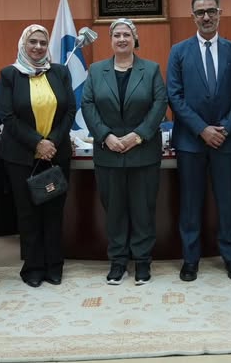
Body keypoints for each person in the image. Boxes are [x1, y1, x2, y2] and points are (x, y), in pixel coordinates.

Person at [167, 0, 231, 282]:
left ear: (220, 13)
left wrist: (224, 128)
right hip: (191, 141)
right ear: (193, 17)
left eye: (211, 11)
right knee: (190, 203)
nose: (206, 17)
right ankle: (190, 260)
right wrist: (202, 129)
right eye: (200, 12)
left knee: (228, 202)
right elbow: (174, 96)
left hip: (227, 140)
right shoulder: (179, 51)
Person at [82, 18, 167, 285]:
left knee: (143, 210)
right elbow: (87, 105)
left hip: (143, 153)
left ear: (134, 38)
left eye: (126, 35)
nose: (121, 39)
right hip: (108, 153)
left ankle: (142, 261)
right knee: (115, 211)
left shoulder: (151, 69)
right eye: (116, 35)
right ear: (111, 40)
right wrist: (106, 136)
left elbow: (160, 103)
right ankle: (118, 261)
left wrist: (138, 135)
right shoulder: (96, 70)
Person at [0, 24, 75, 288]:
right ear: (23, 44)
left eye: (43, 42)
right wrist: (37, 143)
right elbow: (8, 116)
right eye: (33, 42)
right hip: (21, 157)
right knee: (28, 213)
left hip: (56, 154)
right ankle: (33, 267)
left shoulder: (60, 72)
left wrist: (51, 142)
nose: (38, 47)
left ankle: (54, 266)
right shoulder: (10, 74)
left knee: (54, 212)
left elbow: (69, 111)